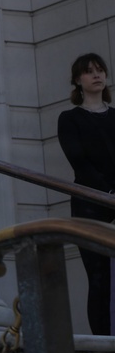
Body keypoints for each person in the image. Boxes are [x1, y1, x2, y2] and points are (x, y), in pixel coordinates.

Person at [57, 52, 115, 336]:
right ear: (77, 80)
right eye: (89, 71)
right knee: (99, 277)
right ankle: (104, 346)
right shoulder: (69, 118)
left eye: (100, 70)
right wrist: (108, 192)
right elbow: (78, 161)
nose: (97, 75)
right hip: (90, 204)